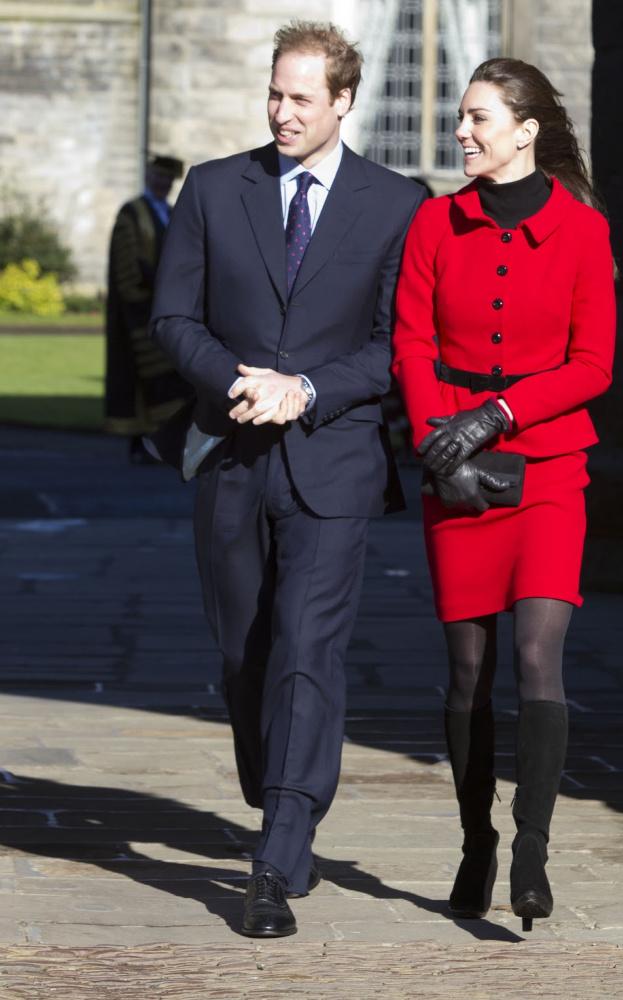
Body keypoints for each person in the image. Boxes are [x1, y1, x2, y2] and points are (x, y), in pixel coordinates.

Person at [149, 21, 425, 938]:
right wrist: (239, 381)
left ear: (344, 101)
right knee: (247, 658)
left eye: (302, 98)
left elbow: (394, 347)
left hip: (334, 464)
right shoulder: (213, 190)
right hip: (230, 457)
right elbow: (174, 317)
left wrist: (303, 388)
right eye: (275, 93)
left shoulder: (396, 203)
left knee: (309, 651)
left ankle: (278, 846)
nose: (282, 112)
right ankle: (280, 796)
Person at [392, 58, 616, 932]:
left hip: (552, 469)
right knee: (468, 671)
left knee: (534, 658)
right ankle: (475, 839)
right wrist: (436, 441)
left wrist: (498, 413)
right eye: (459, 116)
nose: (462, 132)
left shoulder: (585, 233)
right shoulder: (434, 223)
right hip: (456, 470)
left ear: (525, 130)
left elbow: (594, 365)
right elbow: (410, 343)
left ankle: (530, 849)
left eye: (478, 118)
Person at [104, 155, 192, 462]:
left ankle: (162, 444)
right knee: (138, 374)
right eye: (157, 176)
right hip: (138, 307)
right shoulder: (132, 213)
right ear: (148, 176)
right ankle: (139, 444)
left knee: (172, 377)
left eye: (167, 178)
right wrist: (148, 290)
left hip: (169, 306)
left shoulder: (170, 212)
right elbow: (126, 263)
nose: (162, 182)